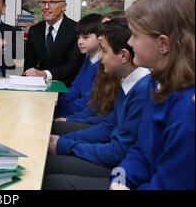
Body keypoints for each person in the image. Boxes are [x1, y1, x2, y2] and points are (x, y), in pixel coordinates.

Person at [42, 18, 151, 190]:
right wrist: (63, 141)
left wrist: (67, 145)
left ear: (124, 55)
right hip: (120, 163)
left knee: (48, 179)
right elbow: (108, 126)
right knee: (45, 163)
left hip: (121, 170)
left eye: (104, 51)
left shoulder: (142, 89)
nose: (100, 56)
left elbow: (119, 152)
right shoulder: (128, 81)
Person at [109, 0, 195, 190]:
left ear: (163, 44)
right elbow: (140, 149)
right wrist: (118, 180)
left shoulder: (187, 112)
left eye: (135, 35)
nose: (129, 42)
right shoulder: (156, 81)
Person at [23, 0, 84, 87]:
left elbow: (73, 65)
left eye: (52, 3)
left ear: (64, 6)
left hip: (66, 88)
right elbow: (30, 63)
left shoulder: (76, 29)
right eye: (43, 2)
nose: (46, 7)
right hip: (38, 87)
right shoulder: (35, 30)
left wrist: (45, 74)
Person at [54, 13, 102, 117]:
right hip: (78, 110)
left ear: (101, 38)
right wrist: (55, 103)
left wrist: (61, 112)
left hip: (88, 116)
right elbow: (75, 88)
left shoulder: (103, 65)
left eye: (85, 37)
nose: (80, 42)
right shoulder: (88, 59)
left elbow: (88, 101)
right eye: (78, 38)